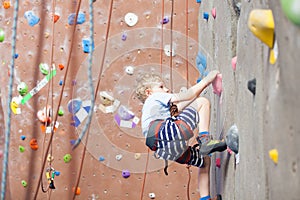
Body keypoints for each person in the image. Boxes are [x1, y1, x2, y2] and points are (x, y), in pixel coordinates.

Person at [136, 70, 226, 200]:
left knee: (205, 160)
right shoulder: (154, 98)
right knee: (203, 103)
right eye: (161, 86)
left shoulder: (157, 110)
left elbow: (186, 103)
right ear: (148, 92)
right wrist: (207, 80)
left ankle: (206, 198)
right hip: (165, 133)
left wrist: (194, 93)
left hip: (165, 150)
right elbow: (189, 95)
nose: (166, 89)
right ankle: (205, 141)